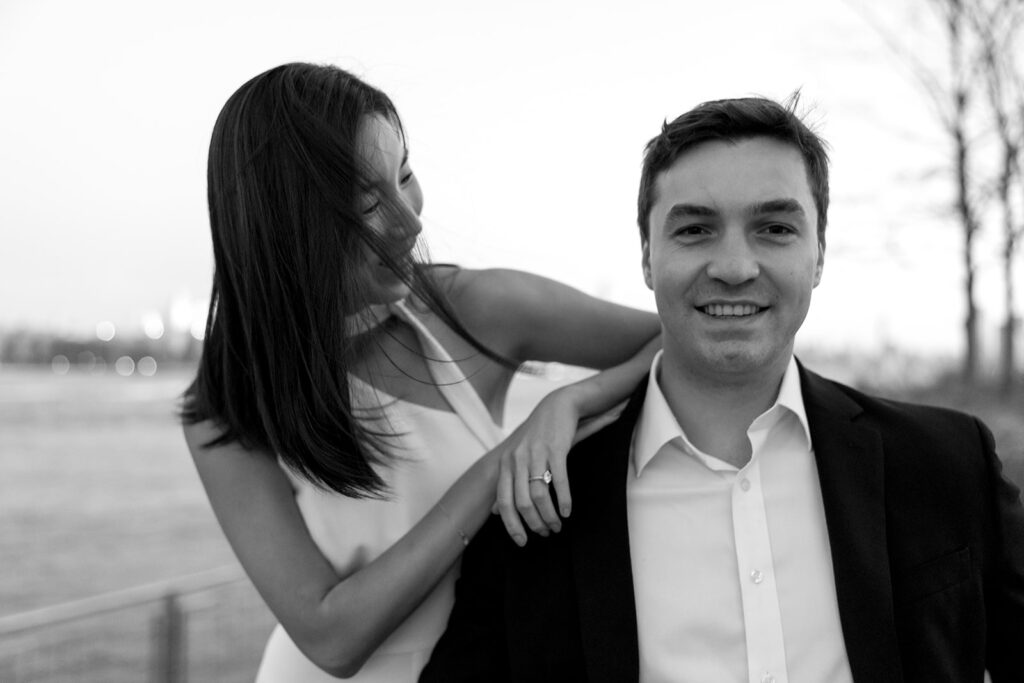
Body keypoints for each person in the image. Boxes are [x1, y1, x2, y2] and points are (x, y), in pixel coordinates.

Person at [421, 95, 1024, 682]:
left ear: (818, 255)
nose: (735, 266)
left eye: (775, 227)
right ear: (647, 257)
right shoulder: (536, 506)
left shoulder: (946, 464)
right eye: (695, 230)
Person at [181, 62, 661, 682]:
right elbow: (331, 637)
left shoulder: (472, 311)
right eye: (368, 204)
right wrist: (498, 469)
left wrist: (567, 405)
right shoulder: (229, 406)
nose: (410, 222)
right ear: (288, 231)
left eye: (404, 175)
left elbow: (683, 341)